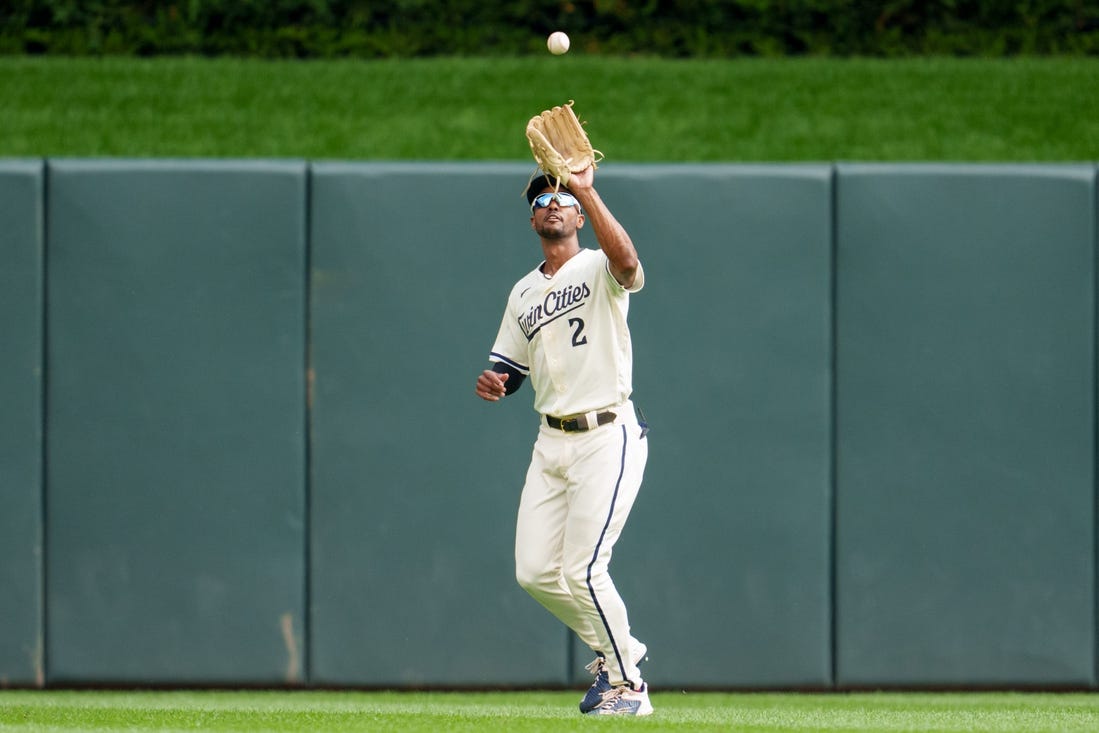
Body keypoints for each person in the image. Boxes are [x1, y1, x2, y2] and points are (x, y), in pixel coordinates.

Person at [474, 166, 652, 716]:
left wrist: (588, 188)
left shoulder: (599, 266)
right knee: (533, 571)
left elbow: (628, 264)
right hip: (551, 442)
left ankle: (630, 689)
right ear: (532, 220)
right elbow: (512, 366)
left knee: (583, 569)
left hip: (606, 433)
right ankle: (618, 649)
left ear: (577, 214)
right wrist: (498, 383)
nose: (552, 204)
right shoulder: (523, 292)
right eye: (542, 199)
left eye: (561, 197)